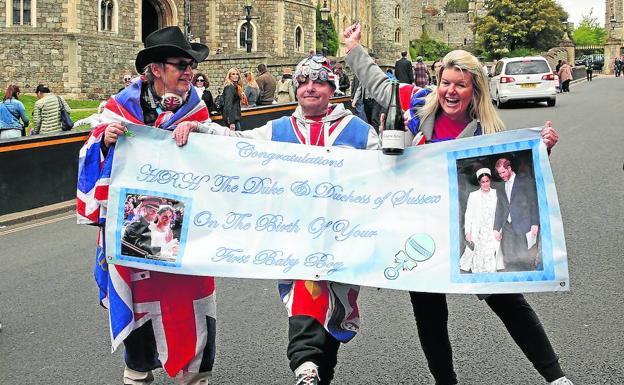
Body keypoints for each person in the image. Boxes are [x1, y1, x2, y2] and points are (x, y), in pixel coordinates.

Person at [343, 22, 573, 385]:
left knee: (507, 300)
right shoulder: (417, 102)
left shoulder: (488, 133)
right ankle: (445, 381)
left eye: (460, 85)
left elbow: (513, 173)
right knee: (429, 310)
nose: (451, 91)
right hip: (422, 226)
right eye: (446, 82)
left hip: (469, 225)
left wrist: (542, 150)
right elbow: (377, 85)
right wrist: (354, 48)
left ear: (474, 90)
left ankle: (556, 377)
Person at [197, 54, 379, 385]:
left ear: (331, 88)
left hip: (343, 243)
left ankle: (319, 372)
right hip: (296, 240)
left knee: (333, 315)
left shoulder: (358, 132)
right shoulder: (279, 130)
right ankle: (304, 364)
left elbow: (387, 178)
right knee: (305, 296)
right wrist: (200, 130)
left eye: (319, 81)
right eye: (304, 82)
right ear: (295, 88)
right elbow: (238, 146)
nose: (311, 88)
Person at [76, 26, 217, 385]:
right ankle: (137, 372)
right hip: (135, 228)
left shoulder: (197, 109)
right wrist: (105, 143)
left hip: (187, 231)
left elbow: (221, 165)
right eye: (181, 65)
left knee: (190, 305)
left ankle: (195, 375)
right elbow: (89, 156)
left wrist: (205, 137)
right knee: (141, 309)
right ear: (155, 69)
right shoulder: (118, 109)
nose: (189, 72)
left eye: (191, 65)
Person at [493, 157, 539, 272]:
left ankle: (526, 281)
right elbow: (500, 207)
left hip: (523, 224)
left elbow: (533, 202)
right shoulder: (500, 186)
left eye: (503, 172)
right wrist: (496, 228)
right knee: (508, 257)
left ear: (509, 168)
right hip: (507, 226)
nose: (502, 175)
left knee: (524, 257)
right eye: (499, 173)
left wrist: (535, 223)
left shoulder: (525, 180)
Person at [460, 168, 501, 273]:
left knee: (490, 253)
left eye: (487, 181)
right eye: (483, 182)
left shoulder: (496, 194)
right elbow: (468, 214)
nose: (485, 184)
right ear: (479, 182)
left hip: (491, 230)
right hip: (478, 231)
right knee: (477, 253)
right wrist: (467, 232)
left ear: (490, 180)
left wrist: (499, 230)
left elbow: (500, 213)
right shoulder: (473, 195)